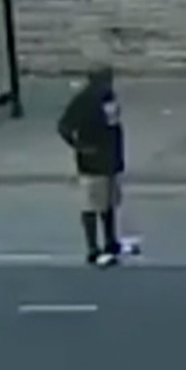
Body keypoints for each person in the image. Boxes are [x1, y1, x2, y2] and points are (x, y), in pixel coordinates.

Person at [57, 65, 127, 267]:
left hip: (109, 159)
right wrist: (80, 147)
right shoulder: (85, 100)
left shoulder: (107, 97)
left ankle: (110, 241)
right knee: (93, 204)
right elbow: (64, 126)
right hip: (93, 161)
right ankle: (93, 247)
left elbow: (113, 127)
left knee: (108, 203)